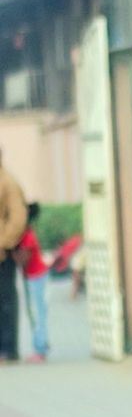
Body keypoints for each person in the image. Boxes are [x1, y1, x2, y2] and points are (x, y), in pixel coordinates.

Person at [0, 149, 28, 362]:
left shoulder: (7, 182)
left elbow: (18, 218)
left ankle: (8, 349)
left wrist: (4, 242)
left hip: (3, 254)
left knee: (5, 301)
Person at [16, 202, 50, 362]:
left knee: (38, 314)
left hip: (37, 277)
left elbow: (24, 259)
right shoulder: (26, 234)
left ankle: (40, 349)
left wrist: (10, 254)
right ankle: (40, 346)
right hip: (33, 277)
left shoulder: (27, 236)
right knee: (35, 313)